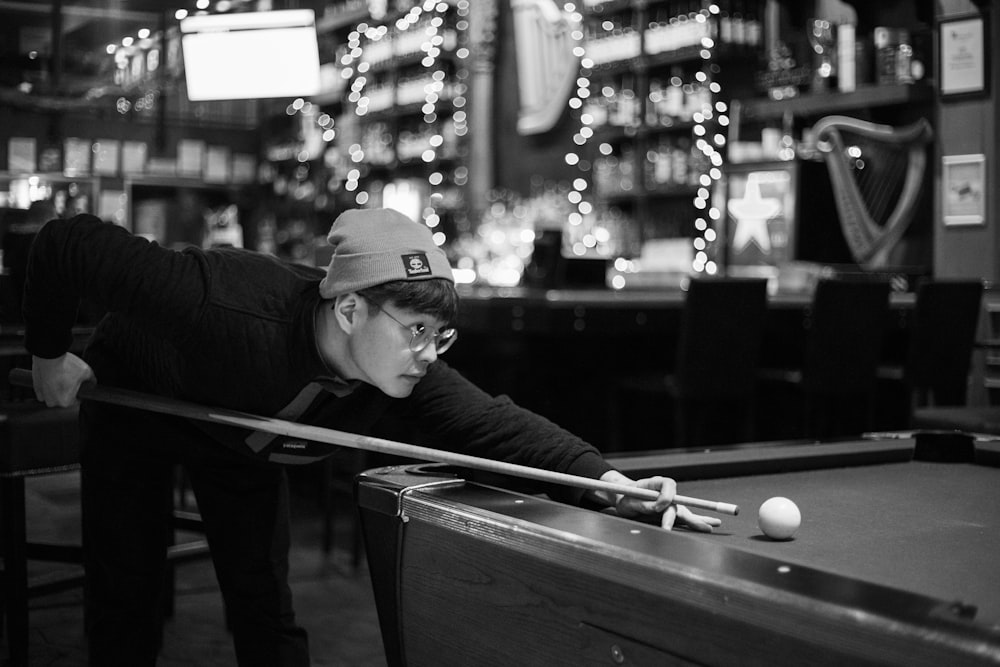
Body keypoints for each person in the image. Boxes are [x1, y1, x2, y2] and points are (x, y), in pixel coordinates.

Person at [24, 208, 721, 667]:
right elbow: (66, 244)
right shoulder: (219, 301)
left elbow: (500, 427)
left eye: (440, 334)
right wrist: (50, 355)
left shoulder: (409, 374)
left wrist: (609, 483)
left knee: (265, 609)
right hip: (139, 406)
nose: (428, 352)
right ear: (350, 308)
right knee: (127, 600)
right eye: (416, 330)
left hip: (244, 445)